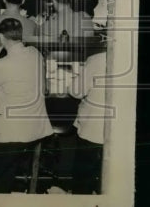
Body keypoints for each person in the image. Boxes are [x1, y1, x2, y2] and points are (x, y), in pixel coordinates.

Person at [0, 18, 54, 193]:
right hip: (34, 128)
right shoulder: (35, 53)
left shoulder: (2, 65)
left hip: (10, 134)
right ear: (20, 35)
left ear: (1, 37)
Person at [68, 50, 107, 194]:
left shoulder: (97, 59)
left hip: (93, 129)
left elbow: (76, 91)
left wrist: (78, 76)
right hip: (124, 132)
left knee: (83, 178)